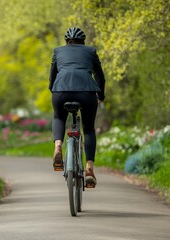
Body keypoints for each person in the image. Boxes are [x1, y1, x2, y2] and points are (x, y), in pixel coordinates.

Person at [48, 27, 105, 188]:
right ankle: (89, 170)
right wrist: (101, 95)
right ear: (83, 42)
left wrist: (54, 88)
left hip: (60, 91)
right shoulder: (91, 51)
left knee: (59, 117)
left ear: (67, 42)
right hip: (86, 92)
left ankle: (58, 145)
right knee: (88, 129)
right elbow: (100, 76)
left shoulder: (58, 51)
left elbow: (52, 75)